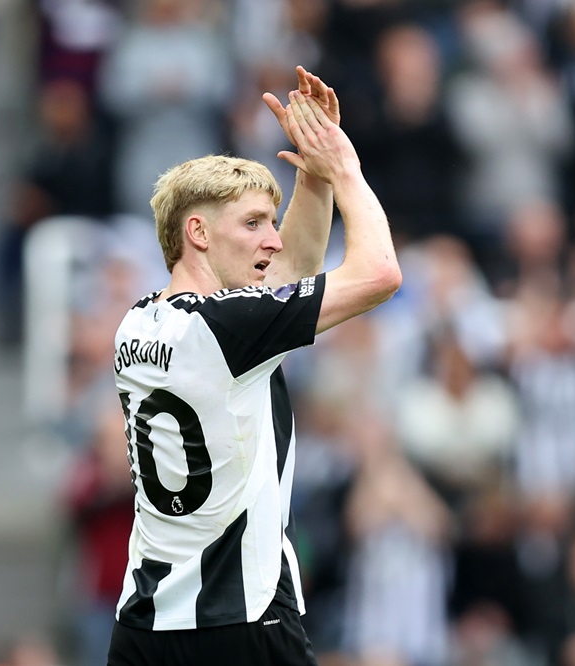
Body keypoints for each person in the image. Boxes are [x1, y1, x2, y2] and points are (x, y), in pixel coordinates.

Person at [106, 66, 402, 666]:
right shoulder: (229, 327)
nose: (270, 239)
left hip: (146, 622)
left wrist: (311, 180)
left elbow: (288, 273)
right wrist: (344, 169)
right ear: (198, 232)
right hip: (242, 621)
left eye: (270, 222)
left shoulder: (138, 322)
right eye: (252, 224)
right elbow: (380, 274)